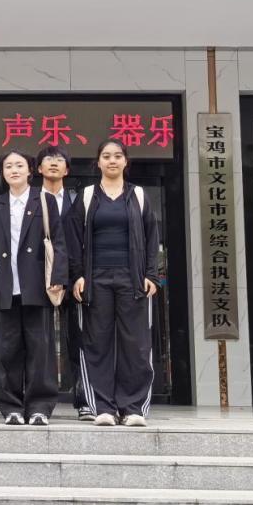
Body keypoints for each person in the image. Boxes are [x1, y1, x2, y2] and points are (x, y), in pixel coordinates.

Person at [66, 139, 161, 428]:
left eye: (117, 156)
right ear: (98, 162)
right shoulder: (87, 196)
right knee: (97, 343)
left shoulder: (138, 195)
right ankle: (103, 407)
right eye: (106, 156)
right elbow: (73, 240)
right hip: (96, 280)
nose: (112, 160)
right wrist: (78, 275)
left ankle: (133, 408)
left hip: (133, 280)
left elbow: (152, 237)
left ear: (125, 161)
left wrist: (151, 274)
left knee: (136, 344)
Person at [0, 150, 66, 426]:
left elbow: (59, 241)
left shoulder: (45, 200)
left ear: (30, 170)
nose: (14, 170)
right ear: (2, 172)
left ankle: (40, 406)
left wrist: (58, 276)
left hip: (37, 285)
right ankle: (11, 407)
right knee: (6, 351)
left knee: (41, 350)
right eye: (8, 166)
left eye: (19, 165)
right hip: (4, 285)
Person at [35, 144, 94, 422]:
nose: (53, 163)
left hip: (73, 280)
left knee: (79, 341)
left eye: (59, 160)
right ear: (39, 168)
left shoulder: (78, 200)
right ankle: (38, 401)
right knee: (39, 341)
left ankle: (84, 400)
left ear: (67, 170)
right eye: (48, 159)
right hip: (38, 280)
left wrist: (79, 274)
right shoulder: (31, 200)